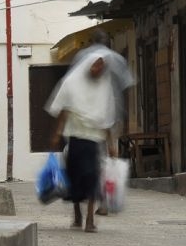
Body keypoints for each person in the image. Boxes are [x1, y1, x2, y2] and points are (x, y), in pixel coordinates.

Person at [45, 30, 133, 232]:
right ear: (89, 64)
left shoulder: (105, 87)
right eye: (96, 64)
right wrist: (57, 133)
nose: (98, 68)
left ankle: (90, 220)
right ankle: (77, 213)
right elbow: (64, 108)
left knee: (92, 177)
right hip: (75, 137)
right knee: (76, 178)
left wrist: (111, 144)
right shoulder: (72, 82)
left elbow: (107, 116)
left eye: (102, 65)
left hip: (94, 139)